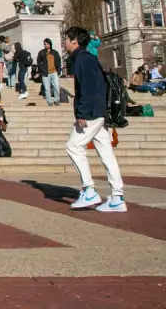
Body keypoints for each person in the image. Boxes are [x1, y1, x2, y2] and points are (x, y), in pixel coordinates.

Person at [64, 26, 126, 212]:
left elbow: (88, 88)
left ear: (74, 40)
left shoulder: (82, 59)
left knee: (73, 146)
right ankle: (117, 196)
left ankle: (89, 189)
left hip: (92, 113)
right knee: (106, 152)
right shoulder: (89, 58)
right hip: (99, 111)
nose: (65, 42)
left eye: (66, 39)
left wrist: (82, 113)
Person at [37, 38, 62, 106]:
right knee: (47, 88)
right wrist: (41, 69)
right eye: (45, 44)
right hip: (45, 73)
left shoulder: (55, 52)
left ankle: (57, 100)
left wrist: (59, 70)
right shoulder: (41, 52)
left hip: (54, 72)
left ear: (50, 44)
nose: (46, 45)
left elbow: (59, 61)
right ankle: (49, 101)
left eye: (47, 44)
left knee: (56, 86)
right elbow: (38, 62)